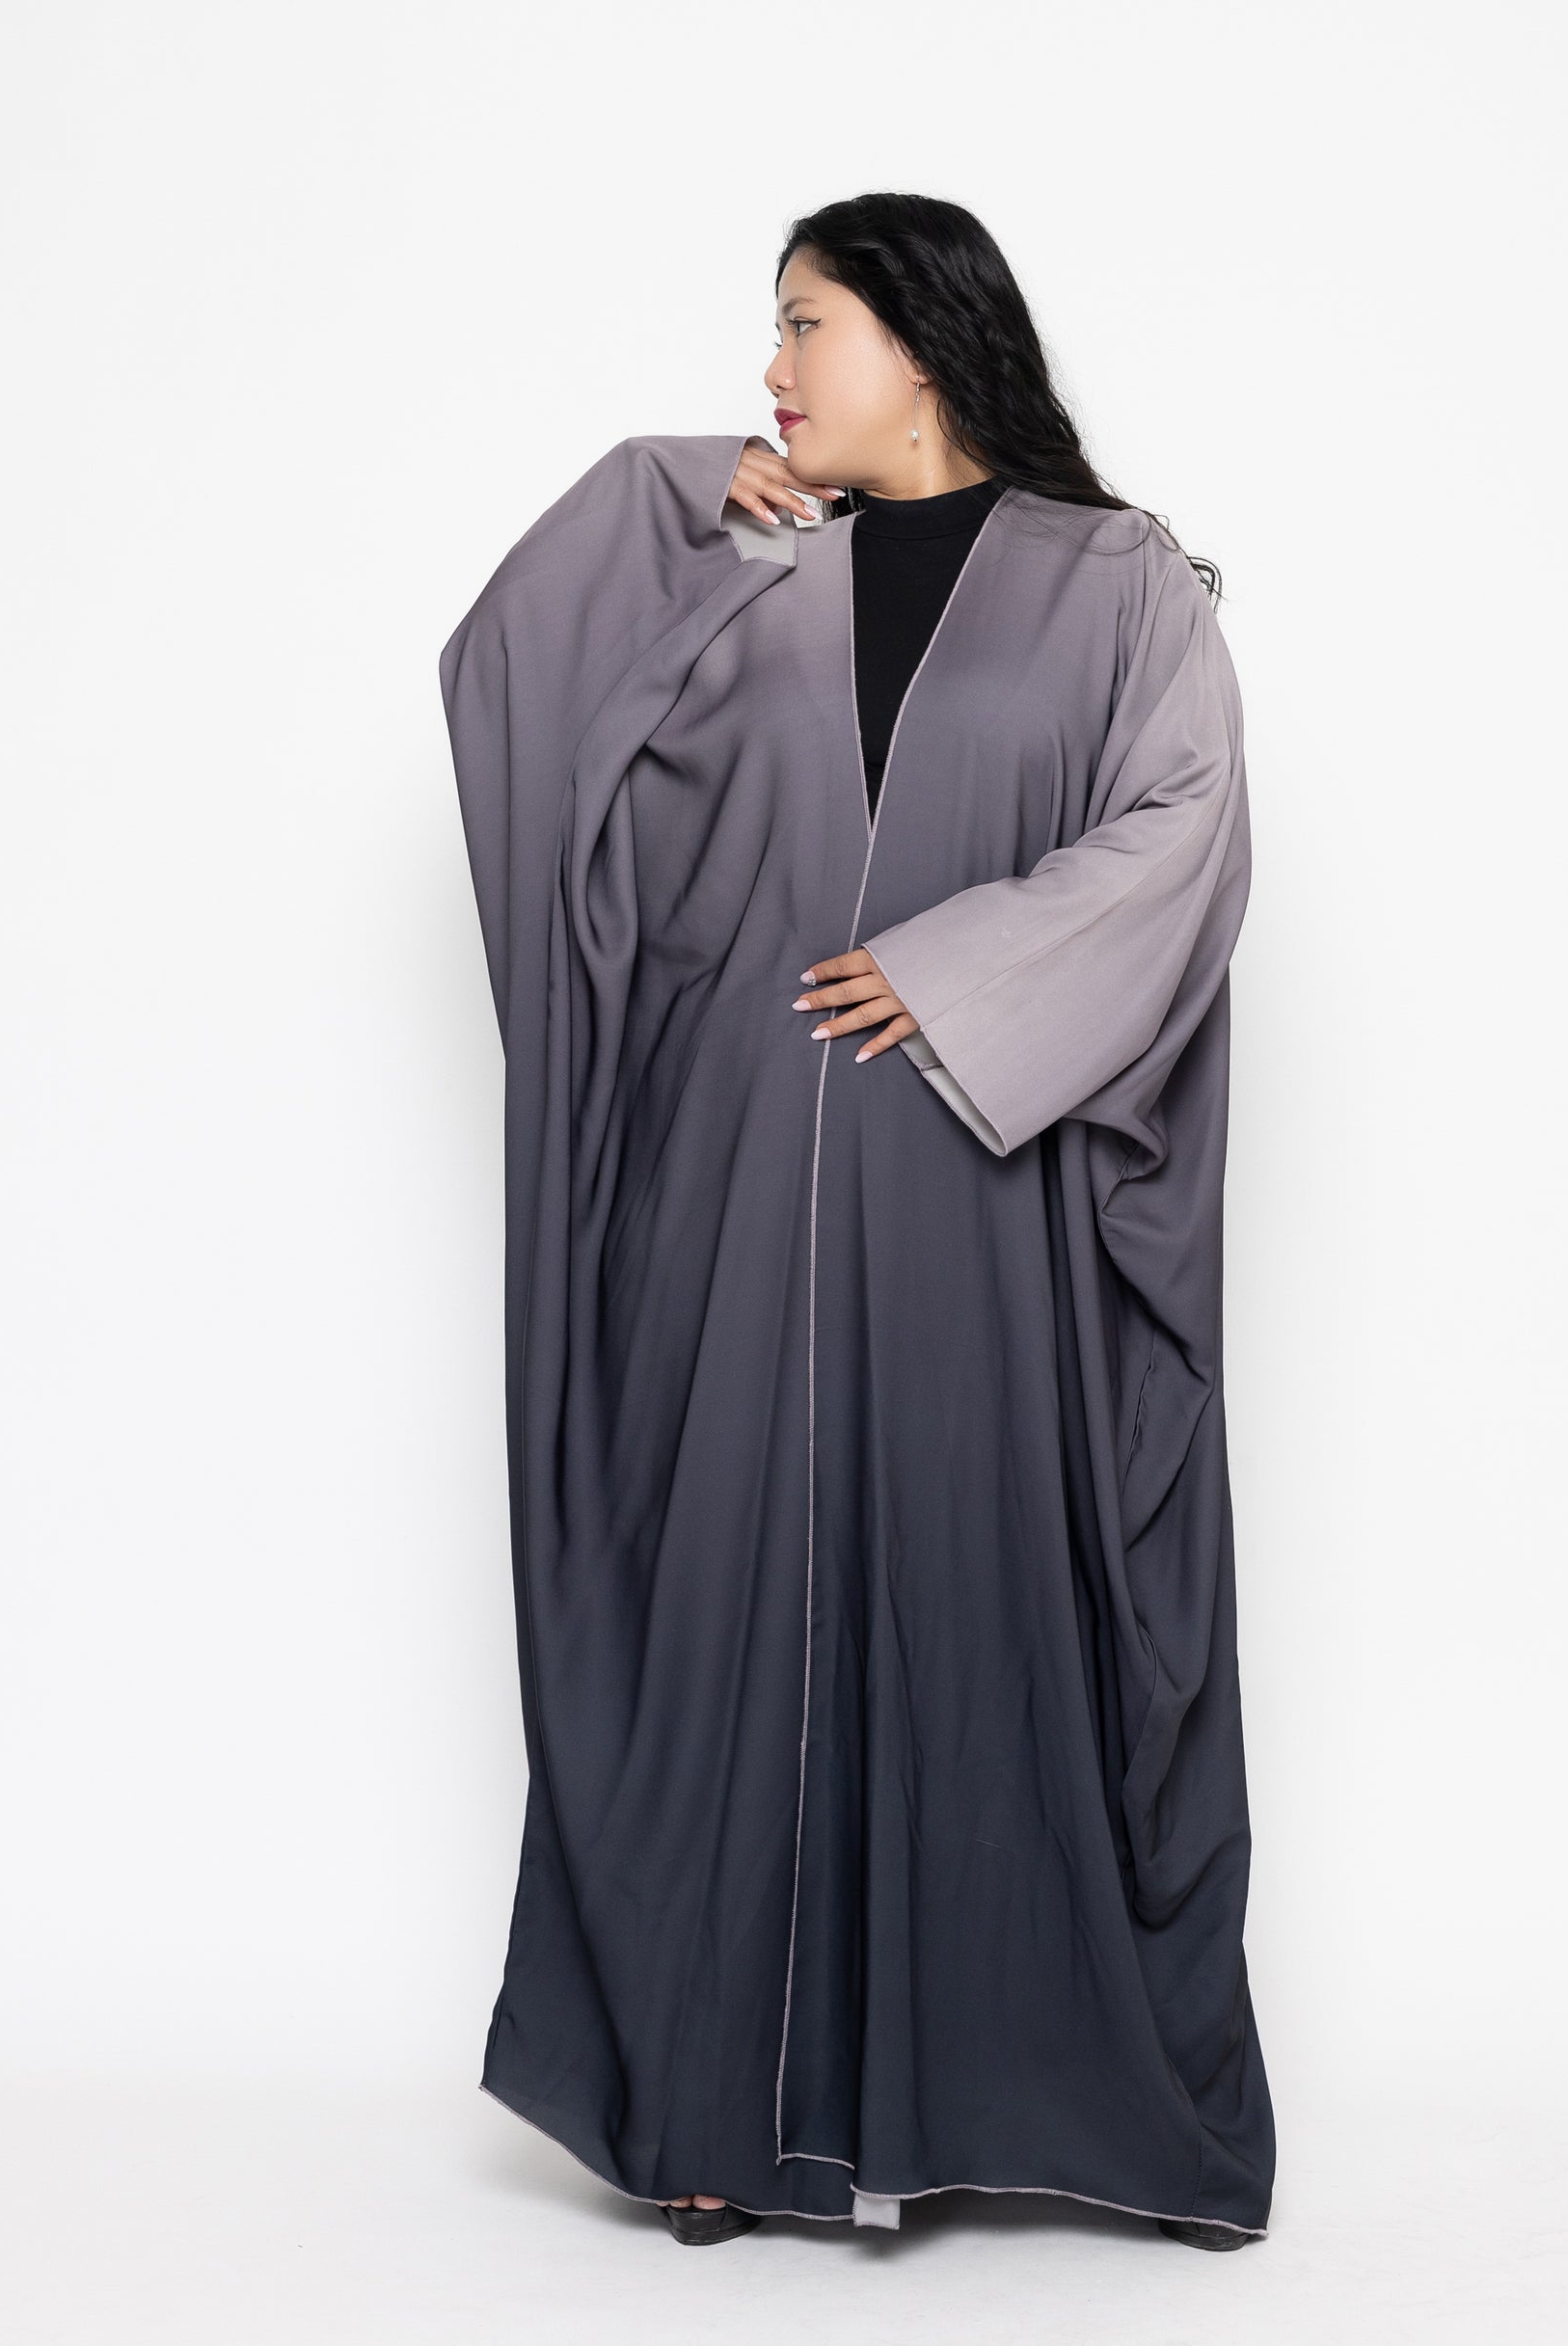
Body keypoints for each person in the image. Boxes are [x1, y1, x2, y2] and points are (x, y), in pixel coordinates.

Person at [438, 192, 1274, 2252]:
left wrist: (960, 965)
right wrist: (653, 501)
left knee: (974, 1602)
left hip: (980, 1205)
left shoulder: (1115, 582)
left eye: (806, 322)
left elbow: (1185, 827)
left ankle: (1028, 2093)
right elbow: (512, 689)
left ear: (920, 335)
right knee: (726, 1613)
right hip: (730, 1196)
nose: (773, 366)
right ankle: (710, 2098)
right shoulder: (739, 564)